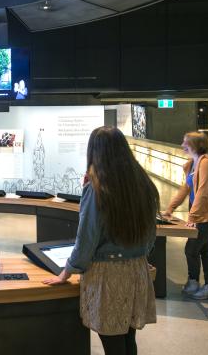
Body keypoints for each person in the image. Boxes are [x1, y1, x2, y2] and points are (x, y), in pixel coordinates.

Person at [43, 126, 157, 355]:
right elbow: (151, 232)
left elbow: (87, 237)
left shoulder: (97, 187)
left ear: (94, 152)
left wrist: (67, 271)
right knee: (128, 339)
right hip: (137, 270)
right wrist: (140, 256)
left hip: (108, 276)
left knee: (113, 343)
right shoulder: (142, 183)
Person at [163, 131, 208, 300]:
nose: (182, 145)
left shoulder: (206, 162)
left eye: (186, 142)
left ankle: (195, 283)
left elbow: (203, 191)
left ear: (195, 145)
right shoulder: (191, 164)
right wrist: (170, 208)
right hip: (203, 215)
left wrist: (193, 217)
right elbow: (186, 189)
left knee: (191, 248)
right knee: (205, 249)